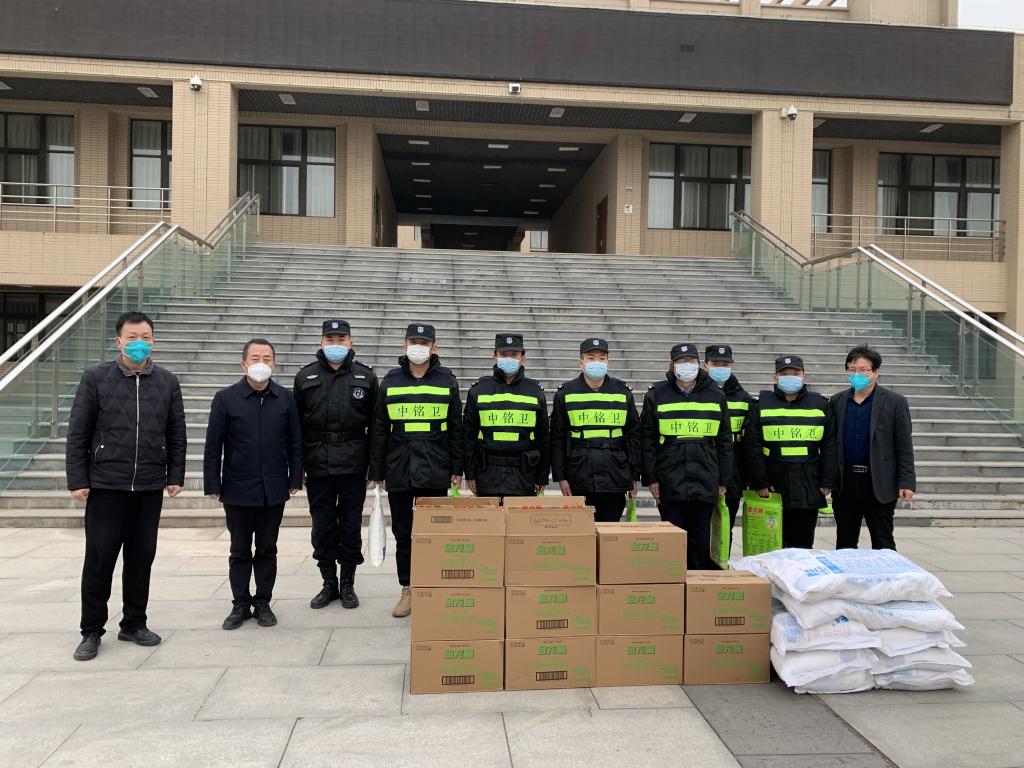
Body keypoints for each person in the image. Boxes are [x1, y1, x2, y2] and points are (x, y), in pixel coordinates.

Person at [65, 310, 186, 661]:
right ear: (119, 341)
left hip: (148, 486)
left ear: (153, 341)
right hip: (106, 485)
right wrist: (78, 478)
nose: (139, 343)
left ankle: (134, 623)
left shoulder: (167, 382)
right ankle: (91, 630)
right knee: (100, 559)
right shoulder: (96, 378)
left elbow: (176, 432)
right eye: (132, 337)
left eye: (145, 337)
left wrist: (175, 475)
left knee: (141, 558)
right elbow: (78, 432)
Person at [204, 338, 303, 630]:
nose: (261, 363)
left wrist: (294, 478)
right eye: (255, 358)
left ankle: (263, 602)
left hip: (274, 488)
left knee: (267, 548)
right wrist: (213, 483)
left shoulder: (285, 398)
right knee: (239, 549)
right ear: (243, 363)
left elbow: (295, 442)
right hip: (237, 489)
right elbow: (213, 445)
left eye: (267, 358)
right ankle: (240, 603)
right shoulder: (226, 398)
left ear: (274, 364)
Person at [368, 323, 463, 618]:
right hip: (399, 467)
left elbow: (456, 429)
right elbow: (380, 429)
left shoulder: (447, 381)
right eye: (414, 342)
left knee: (435, 533)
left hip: (435, 467)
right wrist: (376, 471)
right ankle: (408, 588)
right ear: (405, 346)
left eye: (424, 342)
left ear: (434, 348)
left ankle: (432, 587)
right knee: (404, 534)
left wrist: (457, 468)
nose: (418, 347)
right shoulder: (390, 382)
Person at [293, 319, 378, 611]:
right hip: (318, 462)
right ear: (322, 342)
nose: (336, 345)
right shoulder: (305, 377)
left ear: (350, 342)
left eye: (341, 339)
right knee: (323, 526)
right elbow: (295, 427)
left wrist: (373, 466)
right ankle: (328, 582)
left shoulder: (366, 376)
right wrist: (298, 466)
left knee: (351, 525)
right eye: (330, 339)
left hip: (354, 462)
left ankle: (347, 584)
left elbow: (376, 426)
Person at [640, 343, 732, 570]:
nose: (687, 365)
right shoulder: (656, 395)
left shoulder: (715, 395)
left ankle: (697, 584)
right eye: (681, 361)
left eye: (691, 361)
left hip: (705, 477)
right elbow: (648, 441)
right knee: (673, 541)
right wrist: (651, 479)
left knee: (700, 541)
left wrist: (723, 480)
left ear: (699, 364)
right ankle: (673, 584)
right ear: (672, 365)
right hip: (670, 477)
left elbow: (724, 442)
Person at [825, 345, 916, 551]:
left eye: (863, 370)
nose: (857, 374)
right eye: (852, 370)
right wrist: (828, 480)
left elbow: (904, 445)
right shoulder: (837, 401)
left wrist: (907, 482)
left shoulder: (895, 402)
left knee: (883, 541)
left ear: (875, 372)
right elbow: (830, 445)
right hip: (846, 483)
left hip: (879, 482)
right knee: (845, 542)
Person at [747, 355, 837, 549]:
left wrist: (828, 480)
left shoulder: (821, 404)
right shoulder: (760, 404)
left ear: (804, 377)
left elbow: (830, 445)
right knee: (772, 545)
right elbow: (752, 446)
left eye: (795, 373)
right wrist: (760, 481)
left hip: (809, 483)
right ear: (775, 378)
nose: (791, 377)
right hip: (773, 483)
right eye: (785, 374)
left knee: (803, 546)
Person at [549, 336, 640, 521]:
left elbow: (634, 436)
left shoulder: (623, 393)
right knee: (582, 533)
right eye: (591, 358)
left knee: (610, 532)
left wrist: (634, 475)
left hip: (615, 474)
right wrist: (561, 477)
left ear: (608, 362)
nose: (596, 362)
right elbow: (557, 438)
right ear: (581, 363)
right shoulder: (566, 393)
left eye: (601, 358)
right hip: (579, 475)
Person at [464, 333, 549, 498]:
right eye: (503, 354)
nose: (508, 359)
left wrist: (542, 477)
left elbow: (543, 439)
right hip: (487, 475)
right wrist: (470, 473)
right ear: (495, 357)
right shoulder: (478, 391)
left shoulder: (535, 392)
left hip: (524, 476)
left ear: (523, 358)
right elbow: (468, 437)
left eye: (514, 355)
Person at [704, 344, 756, 533]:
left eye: (725, 364)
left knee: (725, 528)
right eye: (716, 364)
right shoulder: (696, 394)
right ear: (705, 365)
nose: (721, 368)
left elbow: (749, 440)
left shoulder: (744, 399)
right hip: (703, 467)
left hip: (733, 471)